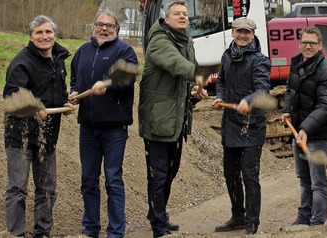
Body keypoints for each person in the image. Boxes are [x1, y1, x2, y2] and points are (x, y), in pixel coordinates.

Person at [137, 1, 206, 237]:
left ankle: (158, 213)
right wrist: (195, 74)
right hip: (159, 119)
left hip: (177, 120)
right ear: (167, 18)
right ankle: (158, 226)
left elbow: (187, 74)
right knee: (158, 174)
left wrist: (196, 90)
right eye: (177, 13)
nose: (183, 17)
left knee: (171, 170)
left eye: (185, 14)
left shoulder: (186, 40)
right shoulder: (158, 40)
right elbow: (175, 64)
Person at [3, 15, 75, 238]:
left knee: (47, 190)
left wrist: (65, 101)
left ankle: (42, 233)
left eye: (48, 32)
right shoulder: (21, 62)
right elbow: (11, 96)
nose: (45, 36)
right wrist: (33, 107)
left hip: (48, 137)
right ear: (31, 37)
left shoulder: (58, 59)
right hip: (21, 137)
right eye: (39, 33)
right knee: (18, 189)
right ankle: (16, 234)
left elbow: (55, 90)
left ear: (55, 34)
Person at [68, 10, 138, 238]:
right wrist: (74, 91)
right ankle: (90, 229)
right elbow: (74, 78)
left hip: (114, 128)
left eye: (109, 26)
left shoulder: (124, 51)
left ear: (116, 30)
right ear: (94, 27)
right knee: (88, 179)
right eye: (100, 24)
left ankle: (116, 232)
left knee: (112, 179)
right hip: (87, 127)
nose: (104, 29)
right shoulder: (82, 52)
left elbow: (128, 77)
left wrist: (108, 83)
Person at [210, 17, 271, 235]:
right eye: (239, 32)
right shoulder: (227, 56)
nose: (242, 36)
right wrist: (219, 97)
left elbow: (263, 89)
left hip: (251, 125)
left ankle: (252, 221)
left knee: (250, 175)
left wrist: (248, 101)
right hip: (231, 124)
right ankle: (238, 216)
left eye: (247, 32)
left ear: (253, 35)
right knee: (230, 173)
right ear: (233, 32)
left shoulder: (260, 60)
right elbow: (222, 82)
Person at [278, 27, 327, 226]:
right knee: (304, 178)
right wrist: (288, 110)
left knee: (317, 181)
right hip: (300, 132)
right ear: (300, 43)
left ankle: (317, 222)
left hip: (319, 135)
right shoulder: (296, 63)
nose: (308, 46)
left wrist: (305, 128)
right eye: (305, 42)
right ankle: (303, 217)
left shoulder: (326, 70)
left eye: (312, 43)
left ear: (320, 45)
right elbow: (290, 90)